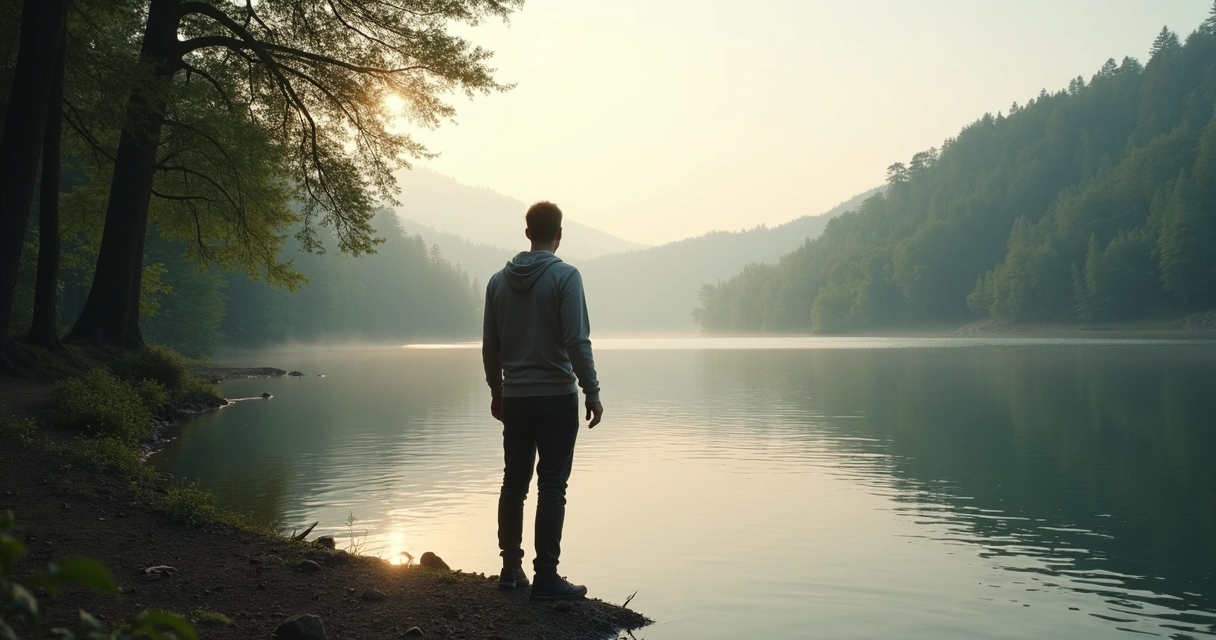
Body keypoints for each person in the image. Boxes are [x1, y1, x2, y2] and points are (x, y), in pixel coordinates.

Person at [481, 201, 604, 602]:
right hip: (555, 396)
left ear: (527, 231)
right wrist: (592, 390)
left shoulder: (498, 281)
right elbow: (576, 339)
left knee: (513, 482)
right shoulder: (566, 276)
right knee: (552, 485)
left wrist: (497, 390)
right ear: (560, 233)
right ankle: (546, 577)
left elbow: (490, 347)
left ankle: (510, 569)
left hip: (515, 398)